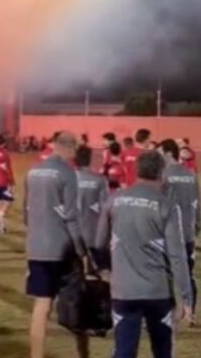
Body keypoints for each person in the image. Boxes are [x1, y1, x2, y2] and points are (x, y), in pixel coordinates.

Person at [96, 150, 194, 357]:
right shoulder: (167, 205)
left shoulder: (114, 200)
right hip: (158, 292)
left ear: (136, 170)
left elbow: (99, 243)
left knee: (124, 351)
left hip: (124, 290)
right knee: (162, 351)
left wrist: (106, 271)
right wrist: (186, 297)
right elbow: (177, 256)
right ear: (162, 173)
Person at [22, 132, 92, 358]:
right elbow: (71, 216)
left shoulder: (32, 171)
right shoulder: (67, 172)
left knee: (42, 305)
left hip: (36, 247)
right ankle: (83, 354)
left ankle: (36, 356)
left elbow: (26, 213)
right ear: (70, 149)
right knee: (76, 304)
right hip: (61, 248)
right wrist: (81, 251)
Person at [159, 139, 199, 320]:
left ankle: (166, 312)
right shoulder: (191, 174)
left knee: (164, 273)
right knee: (187, 273)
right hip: (188, 232)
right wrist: (196, 227)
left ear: (168, 153)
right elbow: (197, 204)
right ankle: (190, 311)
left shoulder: (163, 175)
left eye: (160, 153)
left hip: (169, 233)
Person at [74, 146, 110, 271]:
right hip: (94, 233)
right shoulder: (100, 180)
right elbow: (105, 207)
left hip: (72, 233)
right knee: (103, 270)